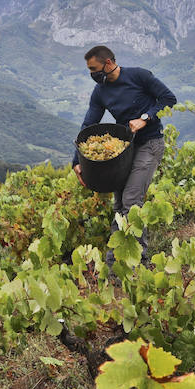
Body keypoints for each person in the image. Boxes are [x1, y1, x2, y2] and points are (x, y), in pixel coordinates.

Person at [73, 45, 178, 243]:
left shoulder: (139, 76)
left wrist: (145, 118)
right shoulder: (100, 92)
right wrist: (77, 161)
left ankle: (138, 259)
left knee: (131, 201)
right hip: (124, 151)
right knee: (119, 204)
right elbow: (88, 125)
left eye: (93, 69)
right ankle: (117, 260)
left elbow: (168, 98)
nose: (92, 74)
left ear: (108, 63)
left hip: (150, 143)